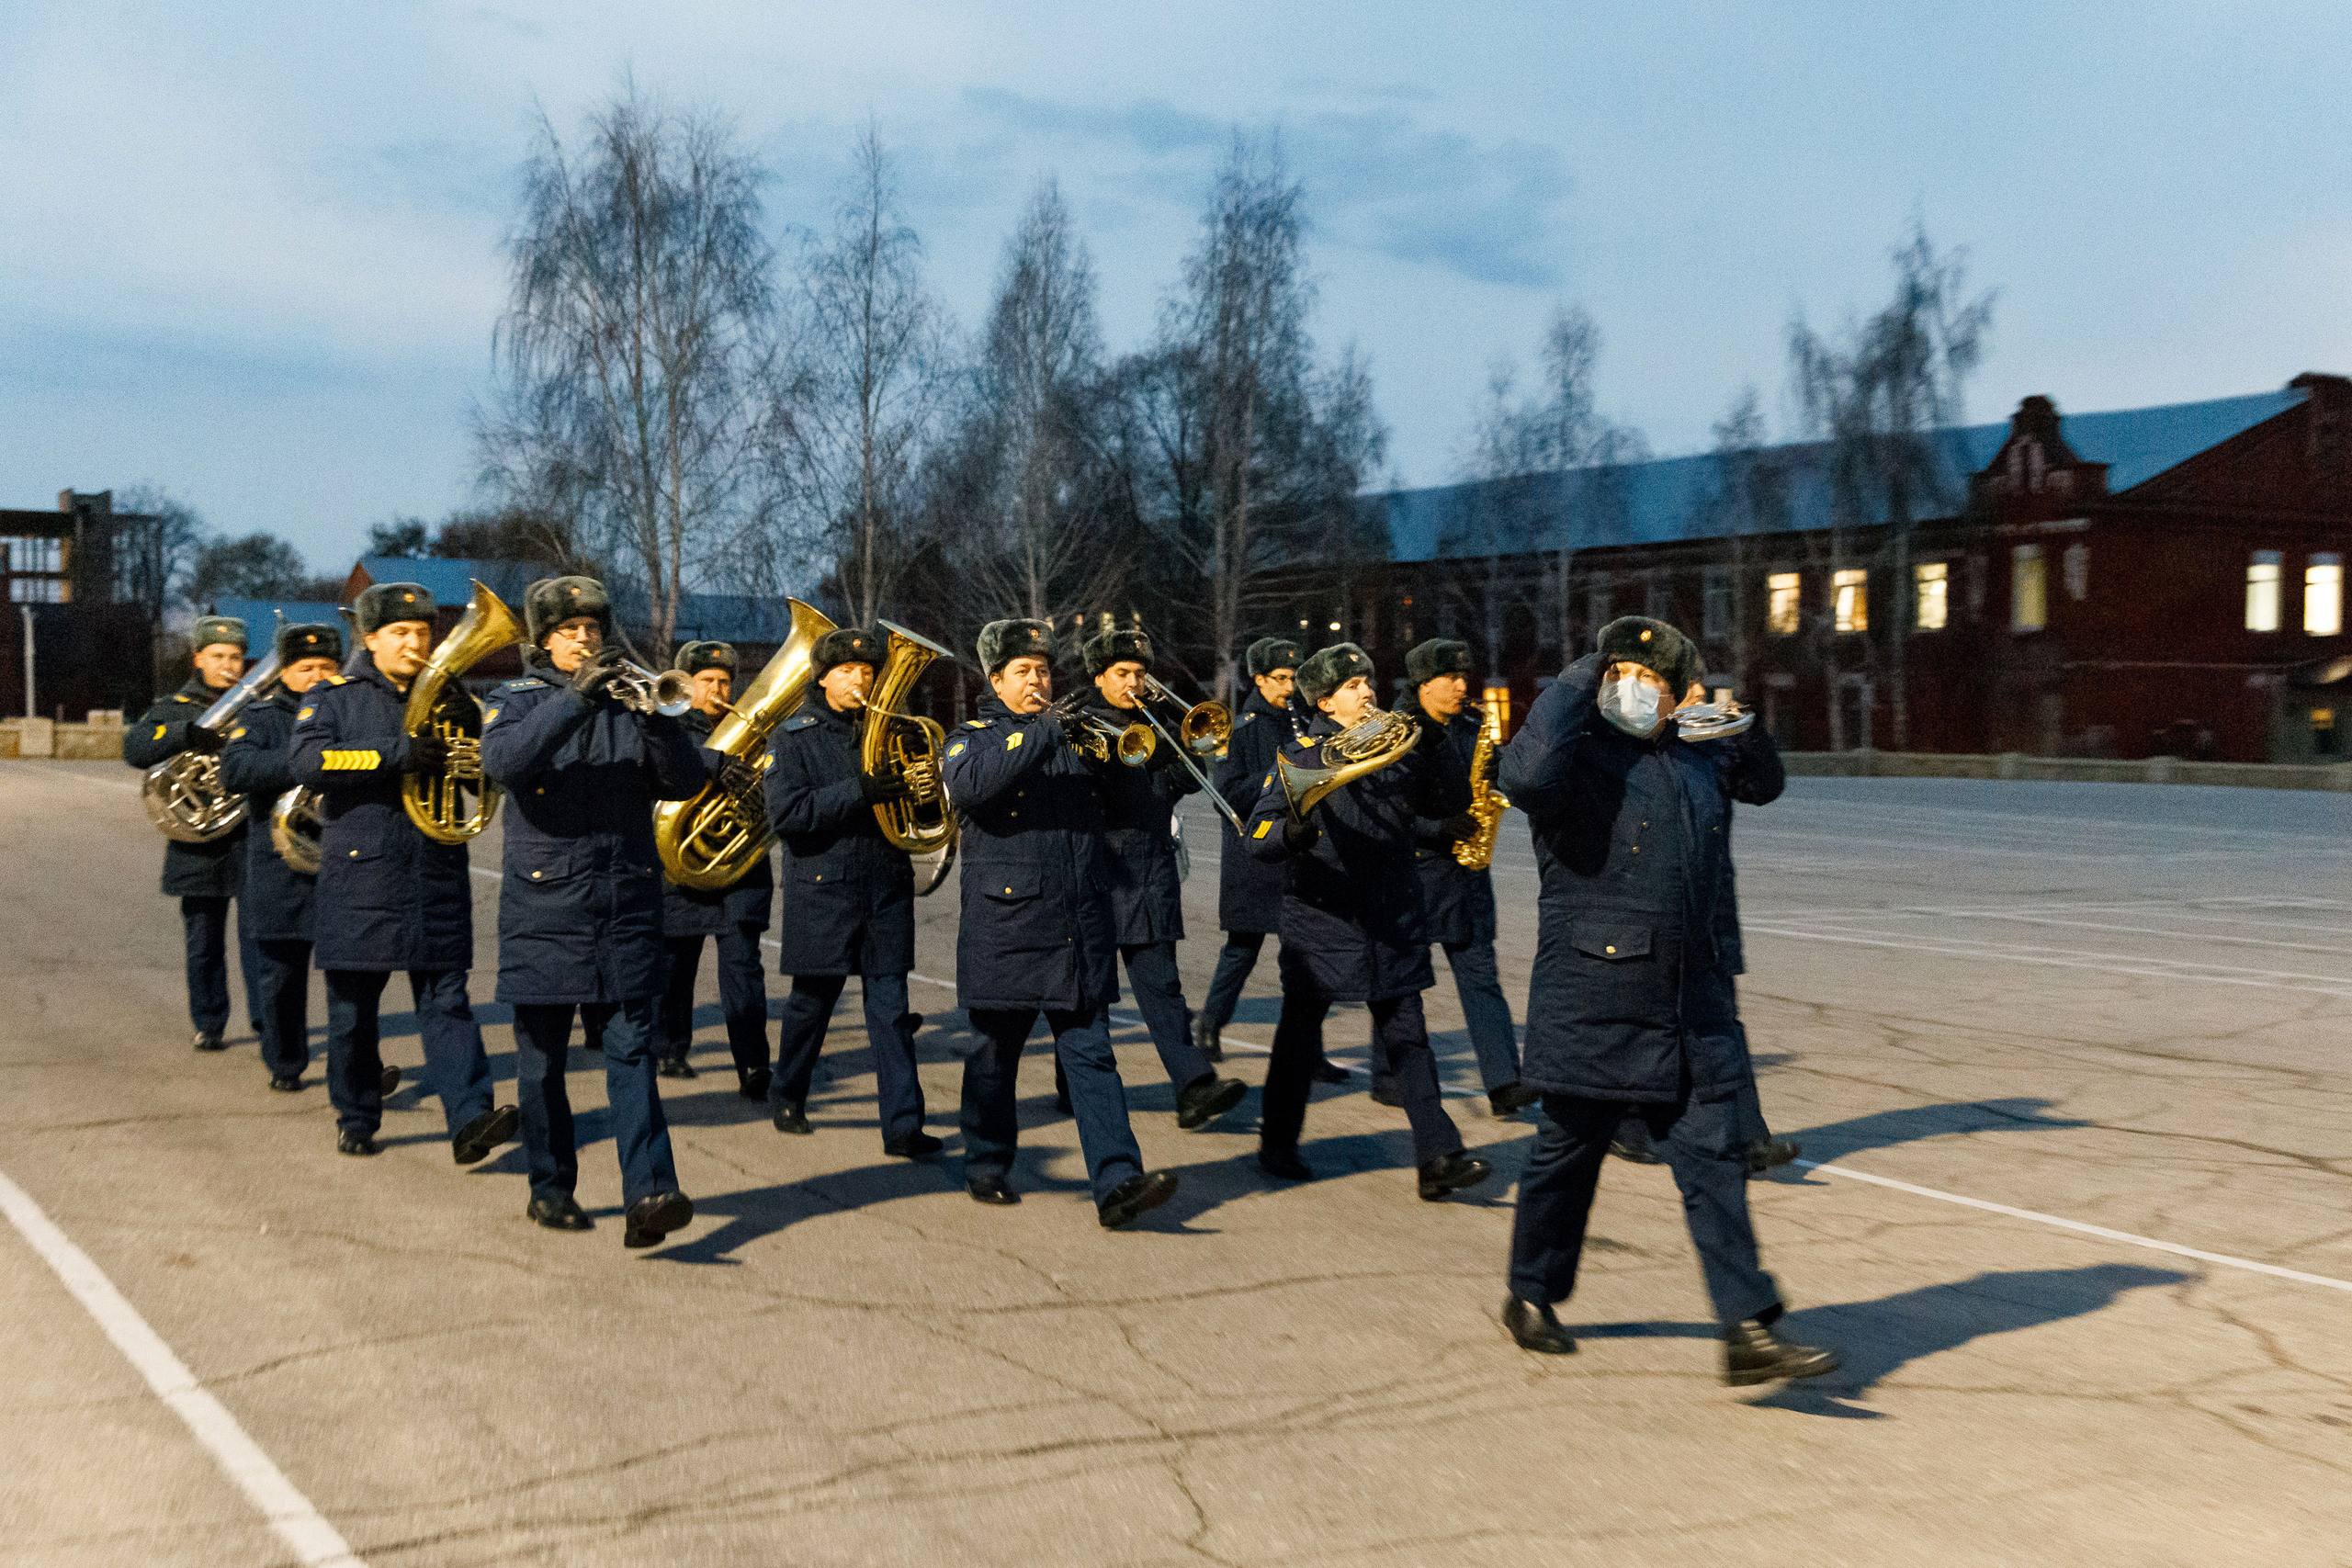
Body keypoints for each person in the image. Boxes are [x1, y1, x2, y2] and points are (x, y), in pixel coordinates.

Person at [1494, 615, 1838, 1385]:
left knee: (1715, 1160)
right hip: (1595, 994)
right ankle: (1531, 1292)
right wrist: (1579, 677)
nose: (1634, 688)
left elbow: (1765, 783)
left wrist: (1736, 720)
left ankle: (1746, 1328)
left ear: (1677, 692)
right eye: (1621, 673)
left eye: (1651, 678)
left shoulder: (1695, 754)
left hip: (1689, 1000)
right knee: (1565, 1157)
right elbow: (1523, 780)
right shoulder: (1572, 756)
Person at [481, 576, 707, 1247]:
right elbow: (505, 762)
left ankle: (650, 1194)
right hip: (545, 906)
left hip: (625, 904)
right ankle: (551, 1188)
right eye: (569, 629)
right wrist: (576, 700)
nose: (584, 638)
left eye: (593, 628)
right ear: (544, 639)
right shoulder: (515, 698)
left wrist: (657, 719)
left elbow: (686, 780)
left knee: (633, 1051)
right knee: (542, 1064)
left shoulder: (630, 702)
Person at [938, 617, 1179, 1229]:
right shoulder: (973, 738)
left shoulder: (1077, 737)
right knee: (994, 1057)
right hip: (1009, 925)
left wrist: (1149, 752)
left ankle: (1117, 1180)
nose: (1037, 681)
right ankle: (987, 1162)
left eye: (1044, 671)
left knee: (1093, 1056)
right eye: (1022, 671)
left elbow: (1141, 810)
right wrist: (1044, 732)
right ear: (995, 680)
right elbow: (971, 787)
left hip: (1078, 925)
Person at [1244, 643, 1491, 1201]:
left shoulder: (1397, 748)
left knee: (1409, 1037)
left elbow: (1448, 802)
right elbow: (1257, 836)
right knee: (1298, 1038)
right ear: (1325, 701)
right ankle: (1276, 1143)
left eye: (1369, 682)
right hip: (1323, 919)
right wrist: (1292, 833)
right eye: (1353, 686)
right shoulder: (1300, 758)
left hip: (1391, 916)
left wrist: (1435, 744)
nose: (1368, 692)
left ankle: (1438, 1157)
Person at [289, 584, 515, 1165]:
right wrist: (400, 753)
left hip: (435, 870)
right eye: (400, 633)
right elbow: (309, 761)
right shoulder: (333, 696)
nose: (416, 643)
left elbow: (482, 781)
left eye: (422, 632)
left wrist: (474, 746)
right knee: (353, 1011)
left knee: (448, 1002)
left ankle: (470, 1118)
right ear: (371, 639)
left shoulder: (449, 695)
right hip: (362, 875)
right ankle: (357, 1115)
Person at [760, 626, 940, 1157]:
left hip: (885, 885)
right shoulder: (793, 737)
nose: (860, 679)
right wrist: (861, 790)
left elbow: (922, 809)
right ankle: (787, 1093)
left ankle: (903, 1125)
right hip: (824, 888)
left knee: (891, 1008)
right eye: (846, 671)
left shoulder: (892, 732)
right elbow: (789, 816)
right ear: (822, 678)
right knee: (811, 1004)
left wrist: (925, 792)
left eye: (867, 671)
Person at [1073, 625, 1247, 1131]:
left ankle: (1194, 1087)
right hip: (1100, 874)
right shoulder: (1079, 724)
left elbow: (1186, 785)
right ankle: (1074, 1085)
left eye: (1140, 673)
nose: (1134, 683)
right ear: (1099, 676)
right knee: (1089, 994)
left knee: (1164, 988)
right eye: (1122, 673)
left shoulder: (1156, 719)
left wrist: (1177, 744)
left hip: (1151, 871)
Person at [1393, 638, 1539, 1118]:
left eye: (1463, 676)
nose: (1462, 686)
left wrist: (1499, 775)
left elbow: (1495, 784)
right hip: (1415, 876)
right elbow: (1386, 810)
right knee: (1400, 985)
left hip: (1467, 875)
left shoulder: (1474, 728)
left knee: (1482, 980)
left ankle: (1504, 1083)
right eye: (1451, 678)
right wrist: (1437, 828)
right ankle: (1389, 1076)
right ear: (1423, 685)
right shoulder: (1397, 734)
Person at [1197, 637, 1346, 1083]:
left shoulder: (1301, 722)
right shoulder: (1241, 730)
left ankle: (1309, 1051)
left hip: (1297, 854)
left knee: (1304, 959)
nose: (1289, 687)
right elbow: (1225, 794)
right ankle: (1209, 1026)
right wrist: (1280, 776)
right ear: (1259, 680)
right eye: (1280, 679)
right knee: (1242, 951)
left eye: (1293, 678)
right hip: (1255, 860)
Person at [123, 615, 266, 1053]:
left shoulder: (260, 705)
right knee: (203, 942)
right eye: (218, 656)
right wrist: (185, 734)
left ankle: (269, 1023)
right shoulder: (176, 706)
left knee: (259, 938)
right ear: (198, 658)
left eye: (236, 657)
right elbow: (135, 748)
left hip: (250, 835)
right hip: (198, 844)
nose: (228, 665)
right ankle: (209, 1022)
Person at [217, 622, 343, 1091]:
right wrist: (307, 761)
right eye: (305, 667)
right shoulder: (262, 715)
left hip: (341, 858)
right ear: (285, 672)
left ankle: (350, 1069)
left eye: (326, 666)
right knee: (282, 976)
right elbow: (235, 769)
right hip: (280, 863)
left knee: (348, 978)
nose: (316, 676)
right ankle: (286, 1063)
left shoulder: (352, 711)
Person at [656, 640, 775, 1098]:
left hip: (738, 870)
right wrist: (714, 761)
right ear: (687, 684)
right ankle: (670, 1048)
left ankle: (753, 1065)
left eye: (725, 682)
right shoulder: (665, 723)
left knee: (744, 972)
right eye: (707, 681)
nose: (717, 690)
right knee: (675, 969)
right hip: (681, 868)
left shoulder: (750, 729)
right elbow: (663, 760)